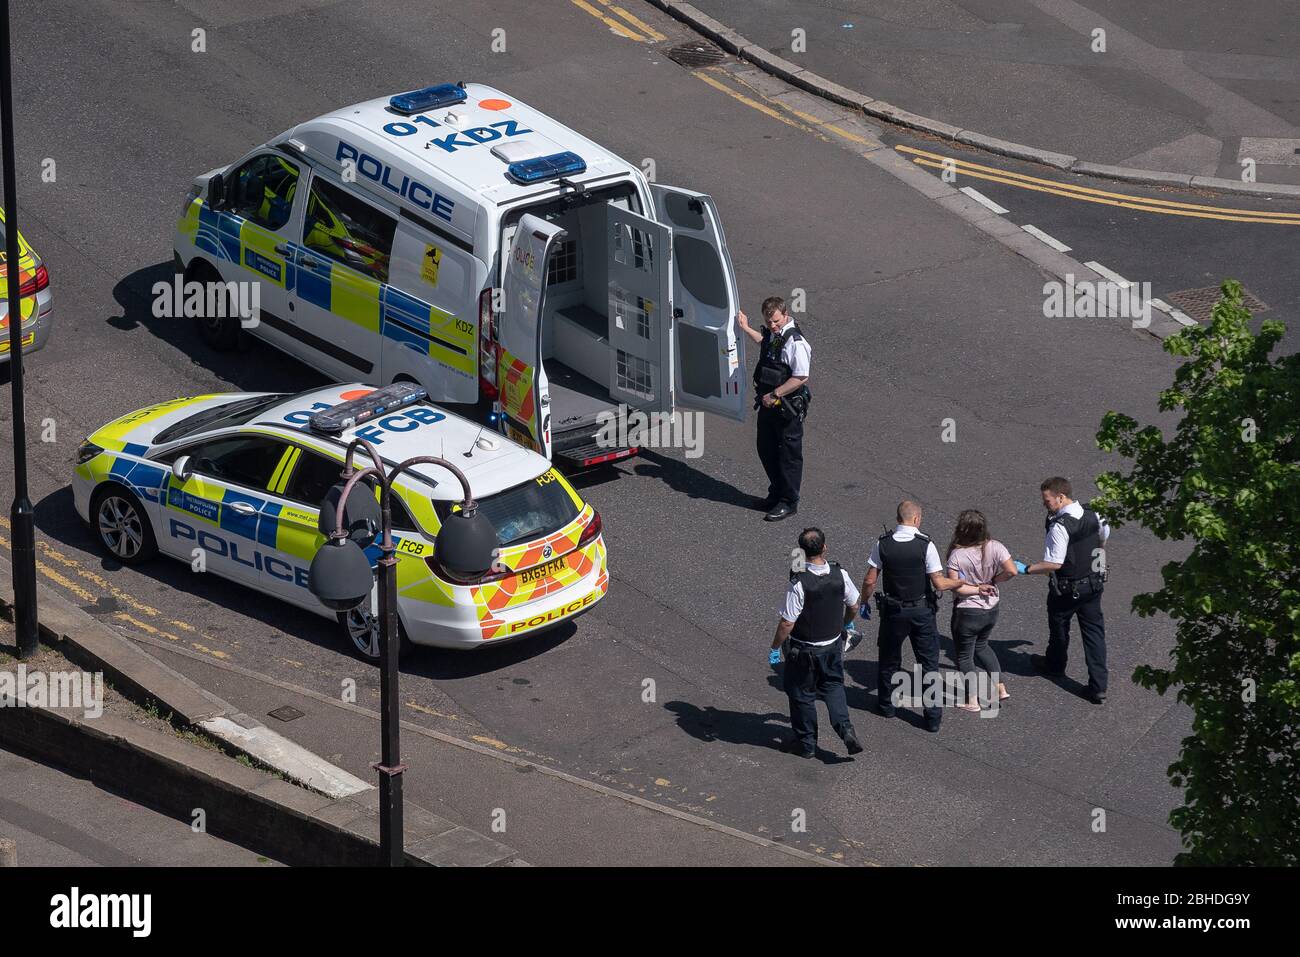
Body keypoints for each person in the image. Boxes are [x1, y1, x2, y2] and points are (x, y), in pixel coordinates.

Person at [861, 501, 992, 732]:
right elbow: (939, 583)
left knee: (889, 659)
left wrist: (864, 601)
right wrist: (962, 581)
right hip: (922, 612)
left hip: (893, 612)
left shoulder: (883, 544)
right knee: (928, 664)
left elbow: (870, 579)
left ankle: (886, 706)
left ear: (898, 518)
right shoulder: (925, 545)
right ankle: (932, 719)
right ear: (916, 519)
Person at [769, 527, 863, 758]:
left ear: (801, 552)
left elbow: (787, 623)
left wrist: (774, 647)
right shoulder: (840, 574)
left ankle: (807, 744)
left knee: (802, 695)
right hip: (832, 647)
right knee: (833, 687)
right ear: (824, 547)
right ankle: (845, 729)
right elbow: (853, 604)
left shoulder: (799, 583)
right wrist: (846, 624)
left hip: (804, 652)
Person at [1017, 477, 1111, 704]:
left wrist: (1026, 569)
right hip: (1093, 584)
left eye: (1047, 500)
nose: (1045, 505)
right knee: (1094, 634)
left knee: (1059, 626)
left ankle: (1055, 665)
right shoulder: (1095, 513)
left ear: (1060, 497)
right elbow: (1103, 538)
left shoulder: (1060, 526)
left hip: (1068, 589)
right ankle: (1098, 687)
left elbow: (1054, 564)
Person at [736, 297, 811, 522]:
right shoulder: (774, 335)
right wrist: (746, 328)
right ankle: (776, 493)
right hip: (768, 403)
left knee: (788, 456)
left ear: (785, 314)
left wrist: (776, 394)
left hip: (786, 407)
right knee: (766, 448)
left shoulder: (796, 342)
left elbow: (801, 376)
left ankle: (788, 502)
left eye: (776, 321)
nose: (772, 326)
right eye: (769, 322)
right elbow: (765, 344)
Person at [945, 509, 1019, 712]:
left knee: (964, 657)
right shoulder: (995, 546)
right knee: (983, 646)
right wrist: (994, 580)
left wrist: (976, 588)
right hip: (991, 607)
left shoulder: (957, 555)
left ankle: (972, 700)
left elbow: (956, 586)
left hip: (968, 612)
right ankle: (1000, 688)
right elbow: (1012, 570)